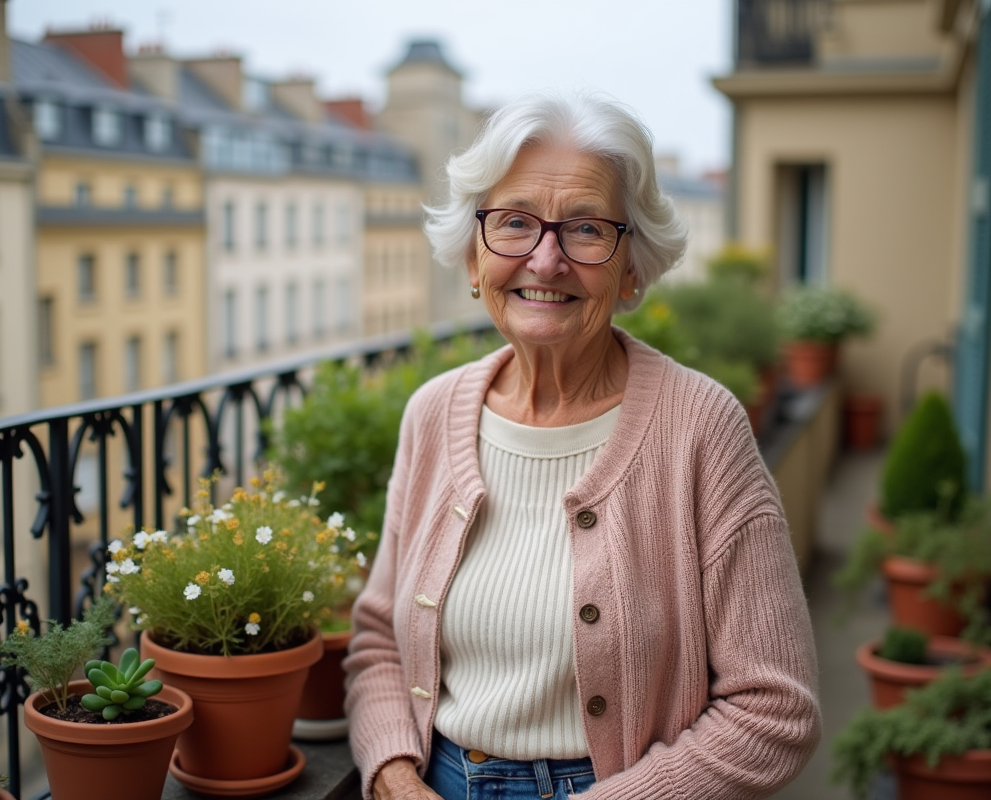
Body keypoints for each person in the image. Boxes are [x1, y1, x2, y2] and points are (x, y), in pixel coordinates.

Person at [344, 92, 821, 800]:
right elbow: (380, 642)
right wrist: (390, 771)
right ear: (474, 259)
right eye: (514, 224)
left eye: (588, 230)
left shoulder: (701, 427)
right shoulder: (432, 413)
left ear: (631, 268)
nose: (546, 259)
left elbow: (775, 711)